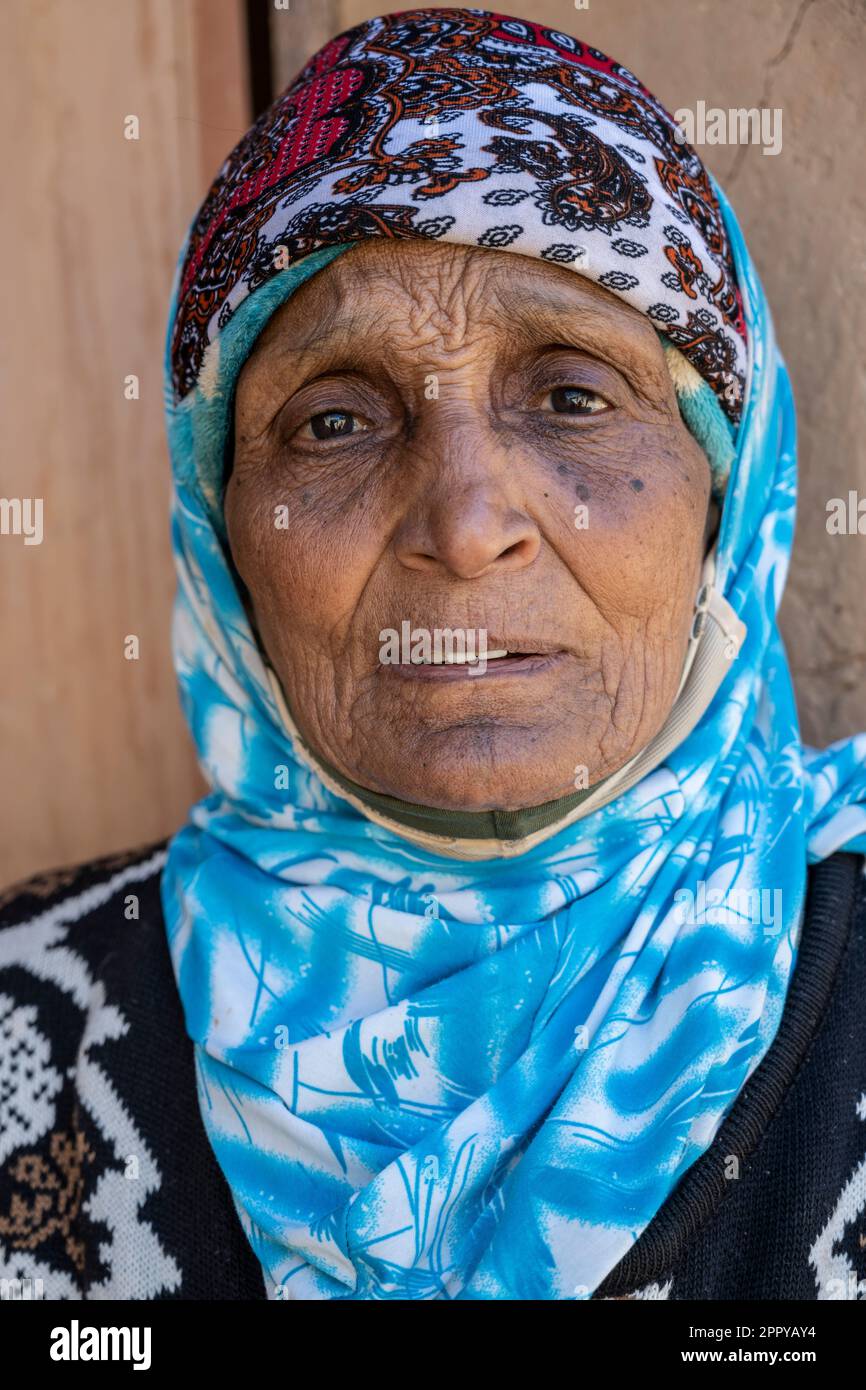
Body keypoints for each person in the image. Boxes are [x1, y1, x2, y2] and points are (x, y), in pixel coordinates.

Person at [2, 7, 865, 1302]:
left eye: (572, 395)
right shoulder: (24, 1028)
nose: (465, 527)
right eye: (335, 419)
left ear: (723, 496)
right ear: (220, 531)